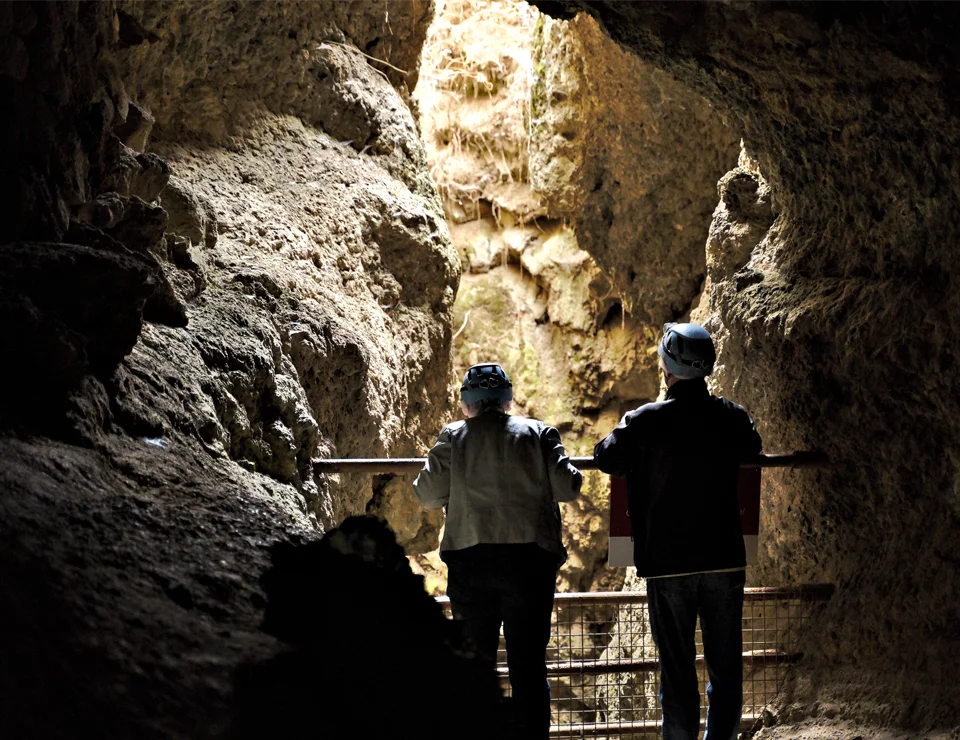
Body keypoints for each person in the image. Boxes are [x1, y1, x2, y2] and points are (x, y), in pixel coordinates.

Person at [594, 323, 762, 740]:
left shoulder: (646, 420)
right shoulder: (730, 417)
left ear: (666, 367)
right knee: (726, 671)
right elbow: (752, 447)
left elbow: (606, 458)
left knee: (677, 671)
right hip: (723, 559)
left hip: (668, 565)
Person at [414, 363, 582, 740]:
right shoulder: (539, 432)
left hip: (470, 560)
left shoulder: (453, 436)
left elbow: (426, 494)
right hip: (530, 563)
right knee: (528, 668)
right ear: (508, 400)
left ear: (465, 404)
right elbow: (569, 487)